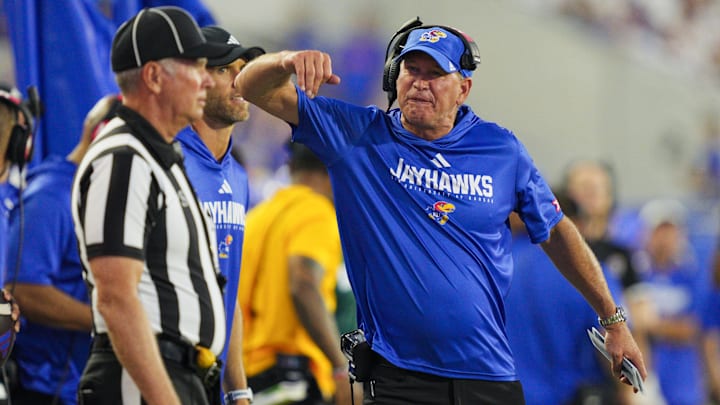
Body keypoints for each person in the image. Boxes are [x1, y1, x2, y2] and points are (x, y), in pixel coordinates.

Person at [234, 18, 647, 404]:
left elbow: (556, 230)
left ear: (463, 89)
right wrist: (285, 60)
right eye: (410, 70)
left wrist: (614, 321)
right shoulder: (358, 135)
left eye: (435, 74)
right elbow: (250, 86)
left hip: (488, 375)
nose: (419, 83)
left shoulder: (500, 149)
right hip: (399, 376)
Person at [71, 6, 231, 405]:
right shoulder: (124, 157)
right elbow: (115, 297)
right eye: (195, 66)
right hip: (143, 378)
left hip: (176, 374)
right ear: (154, 76)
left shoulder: (160, 158)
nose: (207, 79)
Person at [4, 94, 119, 405]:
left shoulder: (99, 194)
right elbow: (23, 290)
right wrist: (112, 320)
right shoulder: (51, 199)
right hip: (47, 387)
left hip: (85, 384)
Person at [175, 25, 265, 404]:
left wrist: (239, 389)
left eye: (244, 68)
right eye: (227, 69)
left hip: (212, 385)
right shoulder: (167, 161)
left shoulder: (238, 175)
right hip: (167, 376)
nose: (240, 81)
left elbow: (230, 295)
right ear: (196, 78)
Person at [239, 142, 354, 405]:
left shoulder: (259, 216)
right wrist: (341, 367)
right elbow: (303, 283)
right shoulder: (317, 213)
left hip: (252, 379)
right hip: (293, 379)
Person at [505, 192, 628, 405]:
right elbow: (614, 345)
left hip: (501, 394)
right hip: (568, 396)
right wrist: (628, 395)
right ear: (574, 227)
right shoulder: (592, 274)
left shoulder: (498, 265)